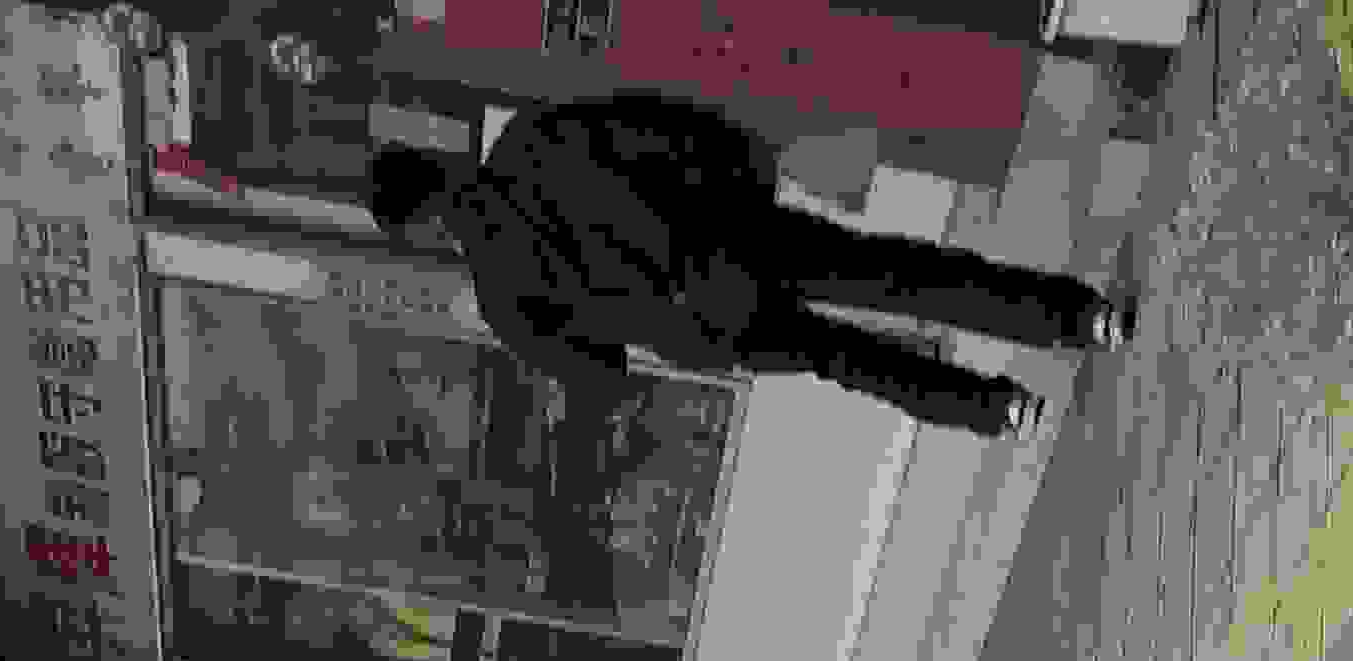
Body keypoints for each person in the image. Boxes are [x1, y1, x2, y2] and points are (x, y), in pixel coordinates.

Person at [366, 92, 1131, 439]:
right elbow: (656, 126)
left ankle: (997, 408)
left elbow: (600, 372)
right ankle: (1077, 318)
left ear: (423, 221)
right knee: (897, 274)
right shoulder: (533, 137)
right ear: (438, 156)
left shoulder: (501, 298)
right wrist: (741, 171)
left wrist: (629, 324)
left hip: (703, 324)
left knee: (844, 357)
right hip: (734, 233)